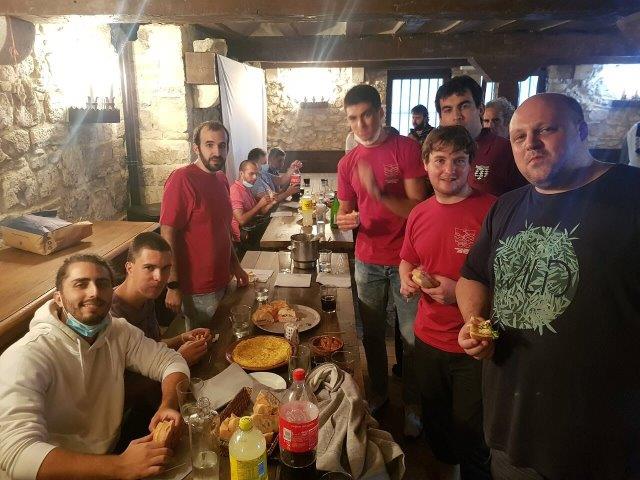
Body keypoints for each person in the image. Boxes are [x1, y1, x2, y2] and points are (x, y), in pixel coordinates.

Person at [457, 93, 640, 479]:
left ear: (583, 132)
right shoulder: (506, 205)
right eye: (519, 136)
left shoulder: (631, 194)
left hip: (599, 445)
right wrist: (474, 321)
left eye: (546, 130)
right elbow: (473, 276)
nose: (531, 144)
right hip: (510, 430)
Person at [0, 254, 190, 479]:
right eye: (81, 284)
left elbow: (170, 361)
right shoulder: (27, 355)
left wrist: (167, 405)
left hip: (108, 456)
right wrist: (121, 466)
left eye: (102, 284)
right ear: (58, 298)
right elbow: (17, 453)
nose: (94, 292)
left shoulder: (118, 331)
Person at [399, 126, 495, 479]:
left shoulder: (493, 210)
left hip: (475, 346)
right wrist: (406, 278)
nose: (449, 169)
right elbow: (408, 259)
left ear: (471, 165)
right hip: (428, 338)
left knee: (473, 435)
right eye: (439, 160)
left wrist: (461, 293)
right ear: (426, 164)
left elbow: (513, 280)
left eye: (459, 160)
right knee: (437, 425)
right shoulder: (419, 213)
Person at [336, 84, 428, 436]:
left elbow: (419, 209)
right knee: (371, 334)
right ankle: (378, 393)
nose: (361, 125)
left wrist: (379, 194)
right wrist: (344, 220)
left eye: (367, 115)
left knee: (411, 336)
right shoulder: (348, 162)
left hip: (408, 259)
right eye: (353, 119)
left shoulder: (406, 148)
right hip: (367, 257)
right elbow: (345, 212)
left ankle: (414, 405)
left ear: (380, 112)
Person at [160, 121, 248, 329]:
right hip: (197, 289)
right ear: (196, 148)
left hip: (224, 279)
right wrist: (172, 285)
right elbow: (167, 234)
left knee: (227, 338)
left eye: (222, 145)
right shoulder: (182, 179)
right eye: (209, 145)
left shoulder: (221, 179)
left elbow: (223, 230)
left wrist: (236, 266)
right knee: (204, 345)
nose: (217, 152)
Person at [111, 232, 212, 366]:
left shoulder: (147, 295)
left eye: (165, 268)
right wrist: (178, 359)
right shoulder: (111, 317)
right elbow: (123, 376)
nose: (159, 277)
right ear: (129, 268)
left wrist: (182, 338)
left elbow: (152, 346)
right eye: (149, 267)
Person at [436, 75, 526, 196]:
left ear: (481, 109)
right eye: (448, 110)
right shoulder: (436, 153)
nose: (456, 116)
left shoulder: (507, 150)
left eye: (464, 106)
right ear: (440, 118)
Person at [229, 160, 275, 251]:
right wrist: (259, 204)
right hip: (245, 238)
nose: (254, 177)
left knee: (274, 224)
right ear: (241, 173)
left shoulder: (246, 188)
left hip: (254, 229)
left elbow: (259, 212)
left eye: (256, 174)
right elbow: (241, 220)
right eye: (251, 174)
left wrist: (271, 203)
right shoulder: (235, 190)